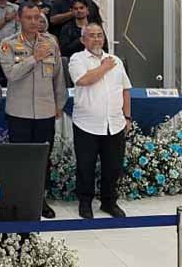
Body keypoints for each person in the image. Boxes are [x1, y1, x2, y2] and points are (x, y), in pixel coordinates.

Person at [0, 3, 66, 219]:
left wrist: (59, 104)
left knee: (43, 159)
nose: (34, 22)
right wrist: (34, 57)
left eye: (37, 17)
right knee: (20, 159)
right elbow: (11, 74)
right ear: (19, 19)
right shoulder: (8, 44)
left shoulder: (50, 42)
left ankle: (39, 199)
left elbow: (58, 77)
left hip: (46, 111)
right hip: (20, 112)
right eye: (28, 17)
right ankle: (18, 200)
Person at [69, 23, 131, 220]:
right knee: (85, 167)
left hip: (115, 123)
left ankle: (109, 202)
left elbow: (125, 90)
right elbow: (83, 80)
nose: (97, 39)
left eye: (99, 35)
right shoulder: (77, 59)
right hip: (86, 124)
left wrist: (127, 117)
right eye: (92, 35)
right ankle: (85, 203)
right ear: (83, 40)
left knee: (113, 166)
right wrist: (104, 67)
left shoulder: (116, 60)